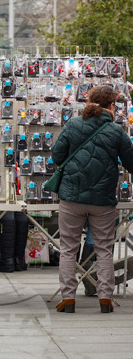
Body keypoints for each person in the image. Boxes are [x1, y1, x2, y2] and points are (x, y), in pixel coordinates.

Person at [51, 85, 133, 314]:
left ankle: (68, 299)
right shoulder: (116, 131)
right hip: (102, 200)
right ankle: (105, 298)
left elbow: (56, 156)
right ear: (111, 106)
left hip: (71, 198)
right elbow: (131, 163)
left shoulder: (73, 124)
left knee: (68, 249)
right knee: (105, 249)